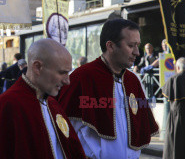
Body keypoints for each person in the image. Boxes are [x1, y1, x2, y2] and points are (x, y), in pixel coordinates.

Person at [57, 18, 159, 159]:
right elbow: (63, 130)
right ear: (110, 46)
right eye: (131, 45)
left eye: (138, 45)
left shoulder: (133, 80)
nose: (137, 52)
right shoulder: (82, 77)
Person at [0, 39, 86, 159]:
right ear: (37, 67)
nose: (67, 81)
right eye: (61, 73)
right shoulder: (7, 105)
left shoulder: (53, 104)